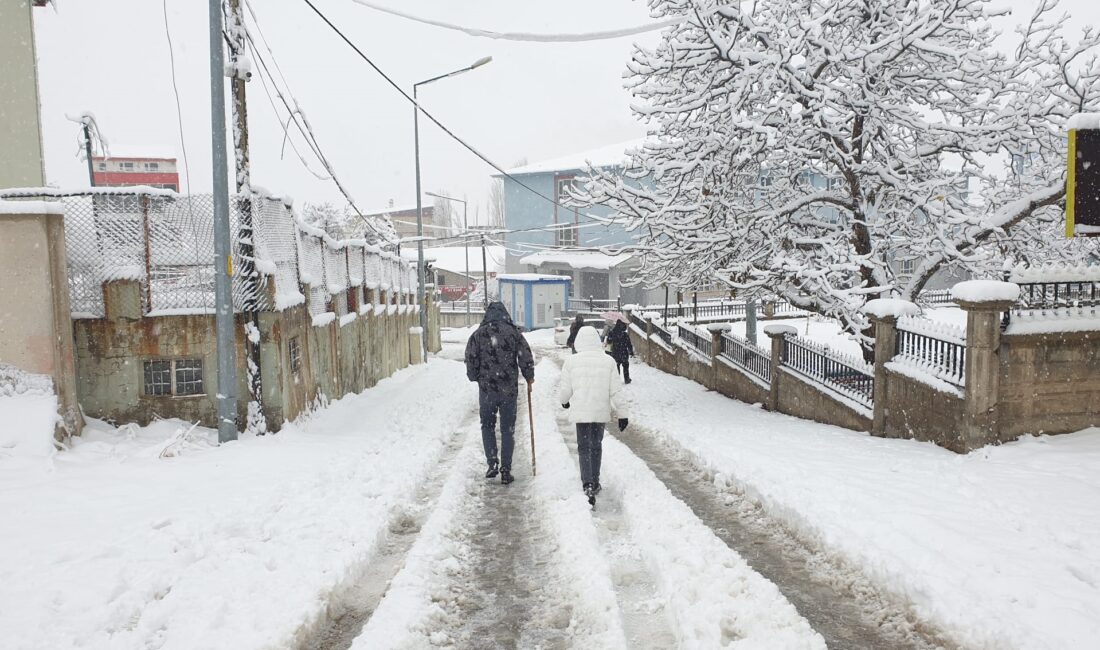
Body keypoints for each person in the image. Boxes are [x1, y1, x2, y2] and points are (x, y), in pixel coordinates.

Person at [464, 301, 535, 485]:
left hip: (487, 390)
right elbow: (525, 356)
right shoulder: (514, 333)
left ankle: (492, 463)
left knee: (487, 426)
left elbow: (471, 359)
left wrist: (474, 376)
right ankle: (506, 469)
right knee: (507, 429)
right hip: (508, 390)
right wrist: (529, 376)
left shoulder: (478, 335)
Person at [560, 327, 628, 506]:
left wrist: (564, 401)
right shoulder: (609, 361)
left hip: (581, 412)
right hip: (599, 411)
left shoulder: (571, 362)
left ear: (579, 341)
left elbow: (565, 389)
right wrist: (622, 414)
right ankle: (595, 481)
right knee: (596, 445)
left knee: (583, 447)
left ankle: (587, 483)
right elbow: (616, 390)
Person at [606, 319, 635, 384]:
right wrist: (631, 352)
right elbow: (629, 344)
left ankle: (617, 380)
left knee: (616, 367)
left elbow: (608, 342)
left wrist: (610, 337)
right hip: (624, 353)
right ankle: (627, 379)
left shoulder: (612, 332)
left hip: (615, 353)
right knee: (625, 366)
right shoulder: (625, 334)